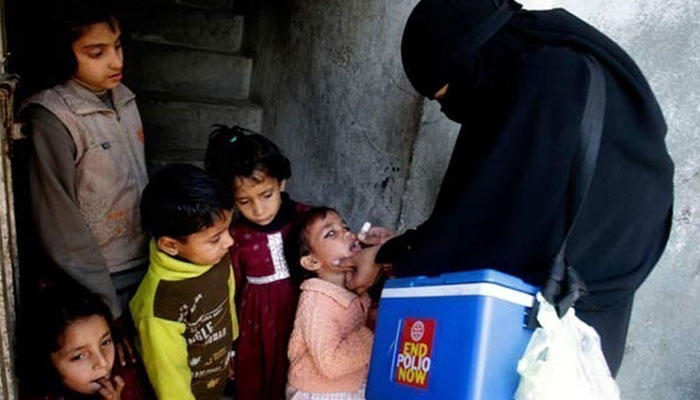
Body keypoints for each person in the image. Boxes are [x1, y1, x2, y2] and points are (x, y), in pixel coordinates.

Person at [339, 0, 674, 376]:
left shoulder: (546, 83)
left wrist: (398, 253)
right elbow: (513, 211)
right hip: (589, 333)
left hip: (530, 337)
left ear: (469, 57)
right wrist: (406, 246)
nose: (449, 111)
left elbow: (485, 229)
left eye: (444, 95)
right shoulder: (590, 73)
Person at [18, 0, 148, 365]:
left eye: (118, 45)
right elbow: (60, 227)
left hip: (142, 260)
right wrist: (106, 306)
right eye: (96, 52)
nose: (116, 62)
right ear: (63, 52)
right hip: (95, 282)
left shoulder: (124, 97)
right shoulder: (52, 117)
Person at [205, 125, 311, 400]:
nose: (259, 209)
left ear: (281, 183)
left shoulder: (306, 220)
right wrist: (229, 346)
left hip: (301, 318)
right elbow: (228, 291)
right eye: (245, 201)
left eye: (266, 195)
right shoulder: (236, 237)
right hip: (256, 328)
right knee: (259, 383)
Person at [129, 164, 239, 400]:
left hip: (216, 380)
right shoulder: (159, 306)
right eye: (216, 238)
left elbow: (226, 302)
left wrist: (229, 352)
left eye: (228, 229)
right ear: (170, 245)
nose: (229, 242)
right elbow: (168, 375)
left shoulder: (215, 257)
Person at [284, 207, 373, 400]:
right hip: (320, 393)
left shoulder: (355, 286)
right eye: (331, 233)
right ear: (312, 262)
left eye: (345, 226)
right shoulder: (316, 302)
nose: (346, 233)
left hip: (350, 386)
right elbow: (332, 364)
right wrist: (373, 333)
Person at [25, 284, 151, 400]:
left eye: (105, 342)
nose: (103, 362)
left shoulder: (125, 379)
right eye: (78, 356)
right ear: (48, 362)